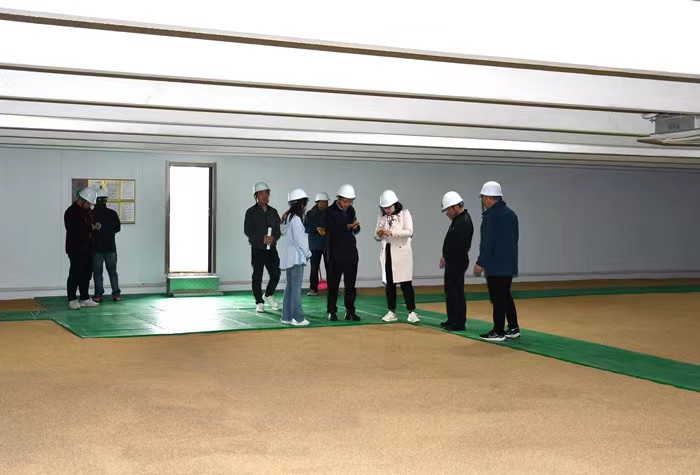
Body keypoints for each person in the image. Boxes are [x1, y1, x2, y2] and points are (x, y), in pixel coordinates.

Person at [474, 181, 520, 342]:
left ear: (488, 198)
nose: (483, 201)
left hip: (495, 264)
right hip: (509, 263)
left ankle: (498, 331)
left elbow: (488, 242)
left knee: (498, 298)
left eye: (483, 197)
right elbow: (514, 239)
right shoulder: (511, 214)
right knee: (505, 295)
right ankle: (513, 327)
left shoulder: (491, 216)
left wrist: (480, 262)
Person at [374, 190, 420, 324]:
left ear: (395, 204)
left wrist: (392, 232)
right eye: (384, 208)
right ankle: (391, 311)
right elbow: (376, 234)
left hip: (402, 253)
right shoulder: (381, 217)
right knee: (390, 284)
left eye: (389, 207)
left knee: (406, 283)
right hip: (387, 251)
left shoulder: (404, 214)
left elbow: (409, 231)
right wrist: (380, 233)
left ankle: (411, 312)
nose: (387, 210)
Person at [244, 182, 282, 313]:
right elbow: (248, 230)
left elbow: (278, 229)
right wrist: (262, 238)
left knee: (276, 273)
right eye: (261, 194)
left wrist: (274, 238)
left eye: (266, 193)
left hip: (271, 249)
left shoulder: (273, 212)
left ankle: (268, 294)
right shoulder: (251, 212)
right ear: (256, 196)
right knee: (257, 276)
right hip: (258, 248)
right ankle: (259, 302)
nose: (264, 196)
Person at [326, 184, 361, 321]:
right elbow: (330, 229)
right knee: (333, 284)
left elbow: (355, 229)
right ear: (338, 199)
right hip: (335, 251)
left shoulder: (351, 210)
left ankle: (350, 311)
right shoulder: (330, 211)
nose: (347, 204)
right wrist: (346, 227)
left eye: (349, 201)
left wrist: (356, 227)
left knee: (350, 284)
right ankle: (332, 311)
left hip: (350, 250)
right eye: (345, 201)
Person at [439, 191, 474, 331]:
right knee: (450, 290)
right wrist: (445, 256)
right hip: (452, 260)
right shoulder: (458, 219)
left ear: (455, 207)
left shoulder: (463, 221)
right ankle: (452, 318)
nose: (447, 212)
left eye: (448, 209)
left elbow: (459, 244)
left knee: (456, 291)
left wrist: (449, 255)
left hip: (457, 260)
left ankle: (459, 322)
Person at [279, 188, 313, 326]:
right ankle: (298, 318)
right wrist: (308, 253)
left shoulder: (287, 218)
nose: (305, 206)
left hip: (289, 258)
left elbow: (283, 231)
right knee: (296, 288)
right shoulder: (296, 219)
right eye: (304, 203)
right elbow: (301, 240)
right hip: (296, 258)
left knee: (290, 287)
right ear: (300, 203)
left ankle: (286, 316)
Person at [64, 187, 101, 310]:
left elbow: (89, 228)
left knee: (87, 274)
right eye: (89, 203)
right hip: (76, 249)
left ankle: (85, 298)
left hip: (88, 248)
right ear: (82, 199)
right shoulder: (71, 212)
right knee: (75, 274)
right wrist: (91, 229)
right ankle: (72, 299)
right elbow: (75, 231)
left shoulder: (88, 211)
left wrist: (95, 229)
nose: (90, 205)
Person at [92, 188, 122, 302]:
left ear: (95, 200)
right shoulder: (112, 213)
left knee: (97, 273)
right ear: (106, 200)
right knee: (113, 272)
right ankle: (116, 294)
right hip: (110, 248)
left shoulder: (91, 214)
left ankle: (98, 295)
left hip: (96, 249)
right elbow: (117, 228)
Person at [304, 192, 330, 296]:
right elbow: (305, 227)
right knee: (314, 268)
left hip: (328, 245)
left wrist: (327, 230)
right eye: (323, 202)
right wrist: (316, 229)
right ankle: (313, 289)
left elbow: (334, 226)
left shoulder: (331, 213)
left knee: (331, 268)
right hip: (315, 245)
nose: (325, 204)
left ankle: (332, 289)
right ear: (317, 202)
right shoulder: (310, 214)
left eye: (326, 202)